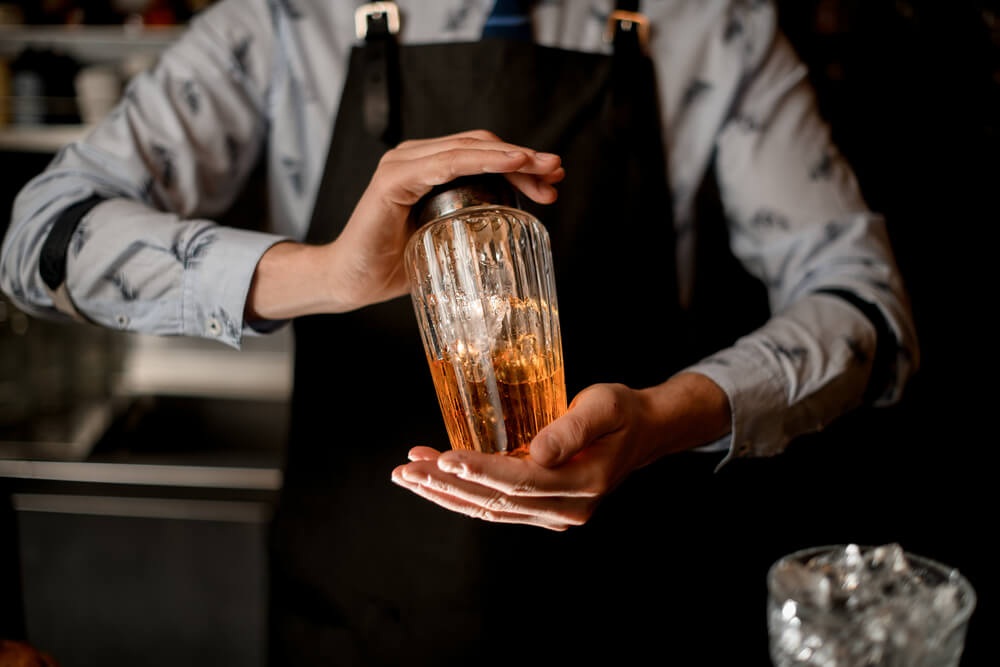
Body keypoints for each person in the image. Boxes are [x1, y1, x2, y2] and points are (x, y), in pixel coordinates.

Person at [1, 0, 918, 664]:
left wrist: (671, 415)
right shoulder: (284, 18)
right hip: (356, 615)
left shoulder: (713, 21)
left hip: (632, 604)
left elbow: (865, 306)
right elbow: (41, 236)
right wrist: (320, 273)